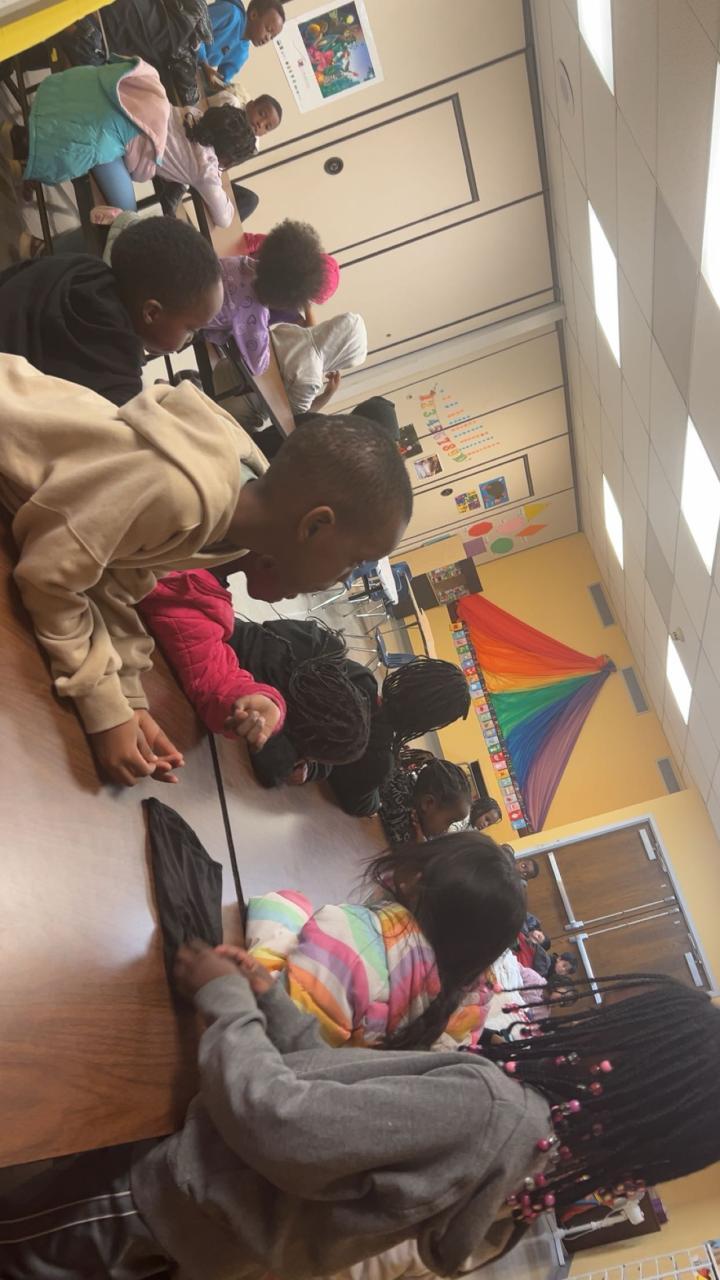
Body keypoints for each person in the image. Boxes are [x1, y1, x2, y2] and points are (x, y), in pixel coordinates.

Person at [1, 958, 717, 1280]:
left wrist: (228, 1003)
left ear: (628, 1051)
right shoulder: (532, 1162)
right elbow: (342, 1095)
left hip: (158, 1200)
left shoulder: (490, 1108)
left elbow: (281, 1122)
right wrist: (272, 1004)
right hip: (210, 1240)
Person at [0, 359, 413, 786]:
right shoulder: (183, 495)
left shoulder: (233, 527)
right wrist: (104, 712)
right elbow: (48, 578)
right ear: (314, 526)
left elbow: (113, 583)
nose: (344, 579)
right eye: (353, 561)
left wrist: (128, 700)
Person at [138, 575, 471, 799]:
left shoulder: (335, 658)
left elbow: (267, 632)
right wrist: (310, 767)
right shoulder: (370, 752)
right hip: (175, 681)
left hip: (197, 640)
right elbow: (277, 766)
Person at [245, 831, 523, 1049]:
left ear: (413, 878)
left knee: (285, 904)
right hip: (337, 1086)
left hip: (271, 1056)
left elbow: (276, 1030)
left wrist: (277, 912)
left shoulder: (350, 941)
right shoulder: (473, 1004)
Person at [140, 567, 373, 777]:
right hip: (166, 664)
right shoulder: (193, 594)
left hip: (206, 639)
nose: (347, 576)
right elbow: (273, 768)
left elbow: (268, 629)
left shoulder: (324, 648)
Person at [10, 58, 277, 227]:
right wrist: (221, 184)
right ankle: (29, 163)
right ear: (227, 158)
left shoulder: (194, 116)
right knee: (127, 213)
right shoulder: (206, 169)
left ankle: (26, 148)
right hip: (115, 138)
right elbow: (224, 218)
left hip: (121, 104)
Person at [0, 216, 222, 407]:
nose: (190, 339)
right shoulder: (120, 385)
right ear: (152, 313)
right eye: (191, 329)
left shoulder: (81, 266)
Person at [202, 220, 328, 375]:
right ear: (288, 300)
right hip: (182, 316)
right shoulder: (254, 313)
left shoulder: (240, 262)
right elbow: (258, 366)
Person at [217, 311, 368, 429]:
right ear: (341, 356)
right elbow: (292, 422)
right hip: (233, 410)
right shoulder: (310, 378)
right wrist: (327, 394)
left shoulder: (292, 330)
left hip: (222, 370)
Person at [54, 0, 214, 105]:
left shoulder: (165, 9)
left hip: (87, 13)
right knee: (100, 96)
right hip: (88, 34)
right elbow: (188, 98)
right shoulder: (181, 44)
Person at [378, 758, 472, 845]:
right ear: (428, 803)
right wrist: (421, 849)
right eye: (450, 821)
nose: (447, 831)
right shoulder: (398, 825)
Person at [197, 0, 285, 86]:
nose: (268, 38)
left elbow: (223, 79)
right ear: (253, 15)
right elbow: (195, 28)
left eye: (272, 37)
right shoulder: (230, 13)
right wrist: (204, 63)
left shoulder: (242, 53)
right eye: (268, 29)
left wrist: (226, 87)